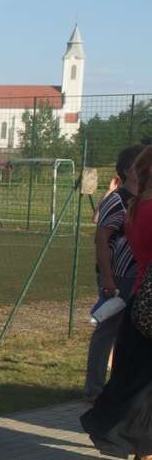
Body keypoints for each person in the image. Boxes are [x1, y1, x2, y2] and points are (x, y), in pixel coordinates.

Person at [84, 145, 144, 400]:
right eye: (140, 165)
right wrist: (107, 278)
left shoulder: (144, 199)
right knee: (107, 330)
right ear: (127, 171)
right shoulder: (117, 200)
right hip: (118, 275)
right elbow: (102, 238)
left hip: (140, 275)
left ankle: (121, 386)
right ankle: (95, 389)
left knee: (130, 333)